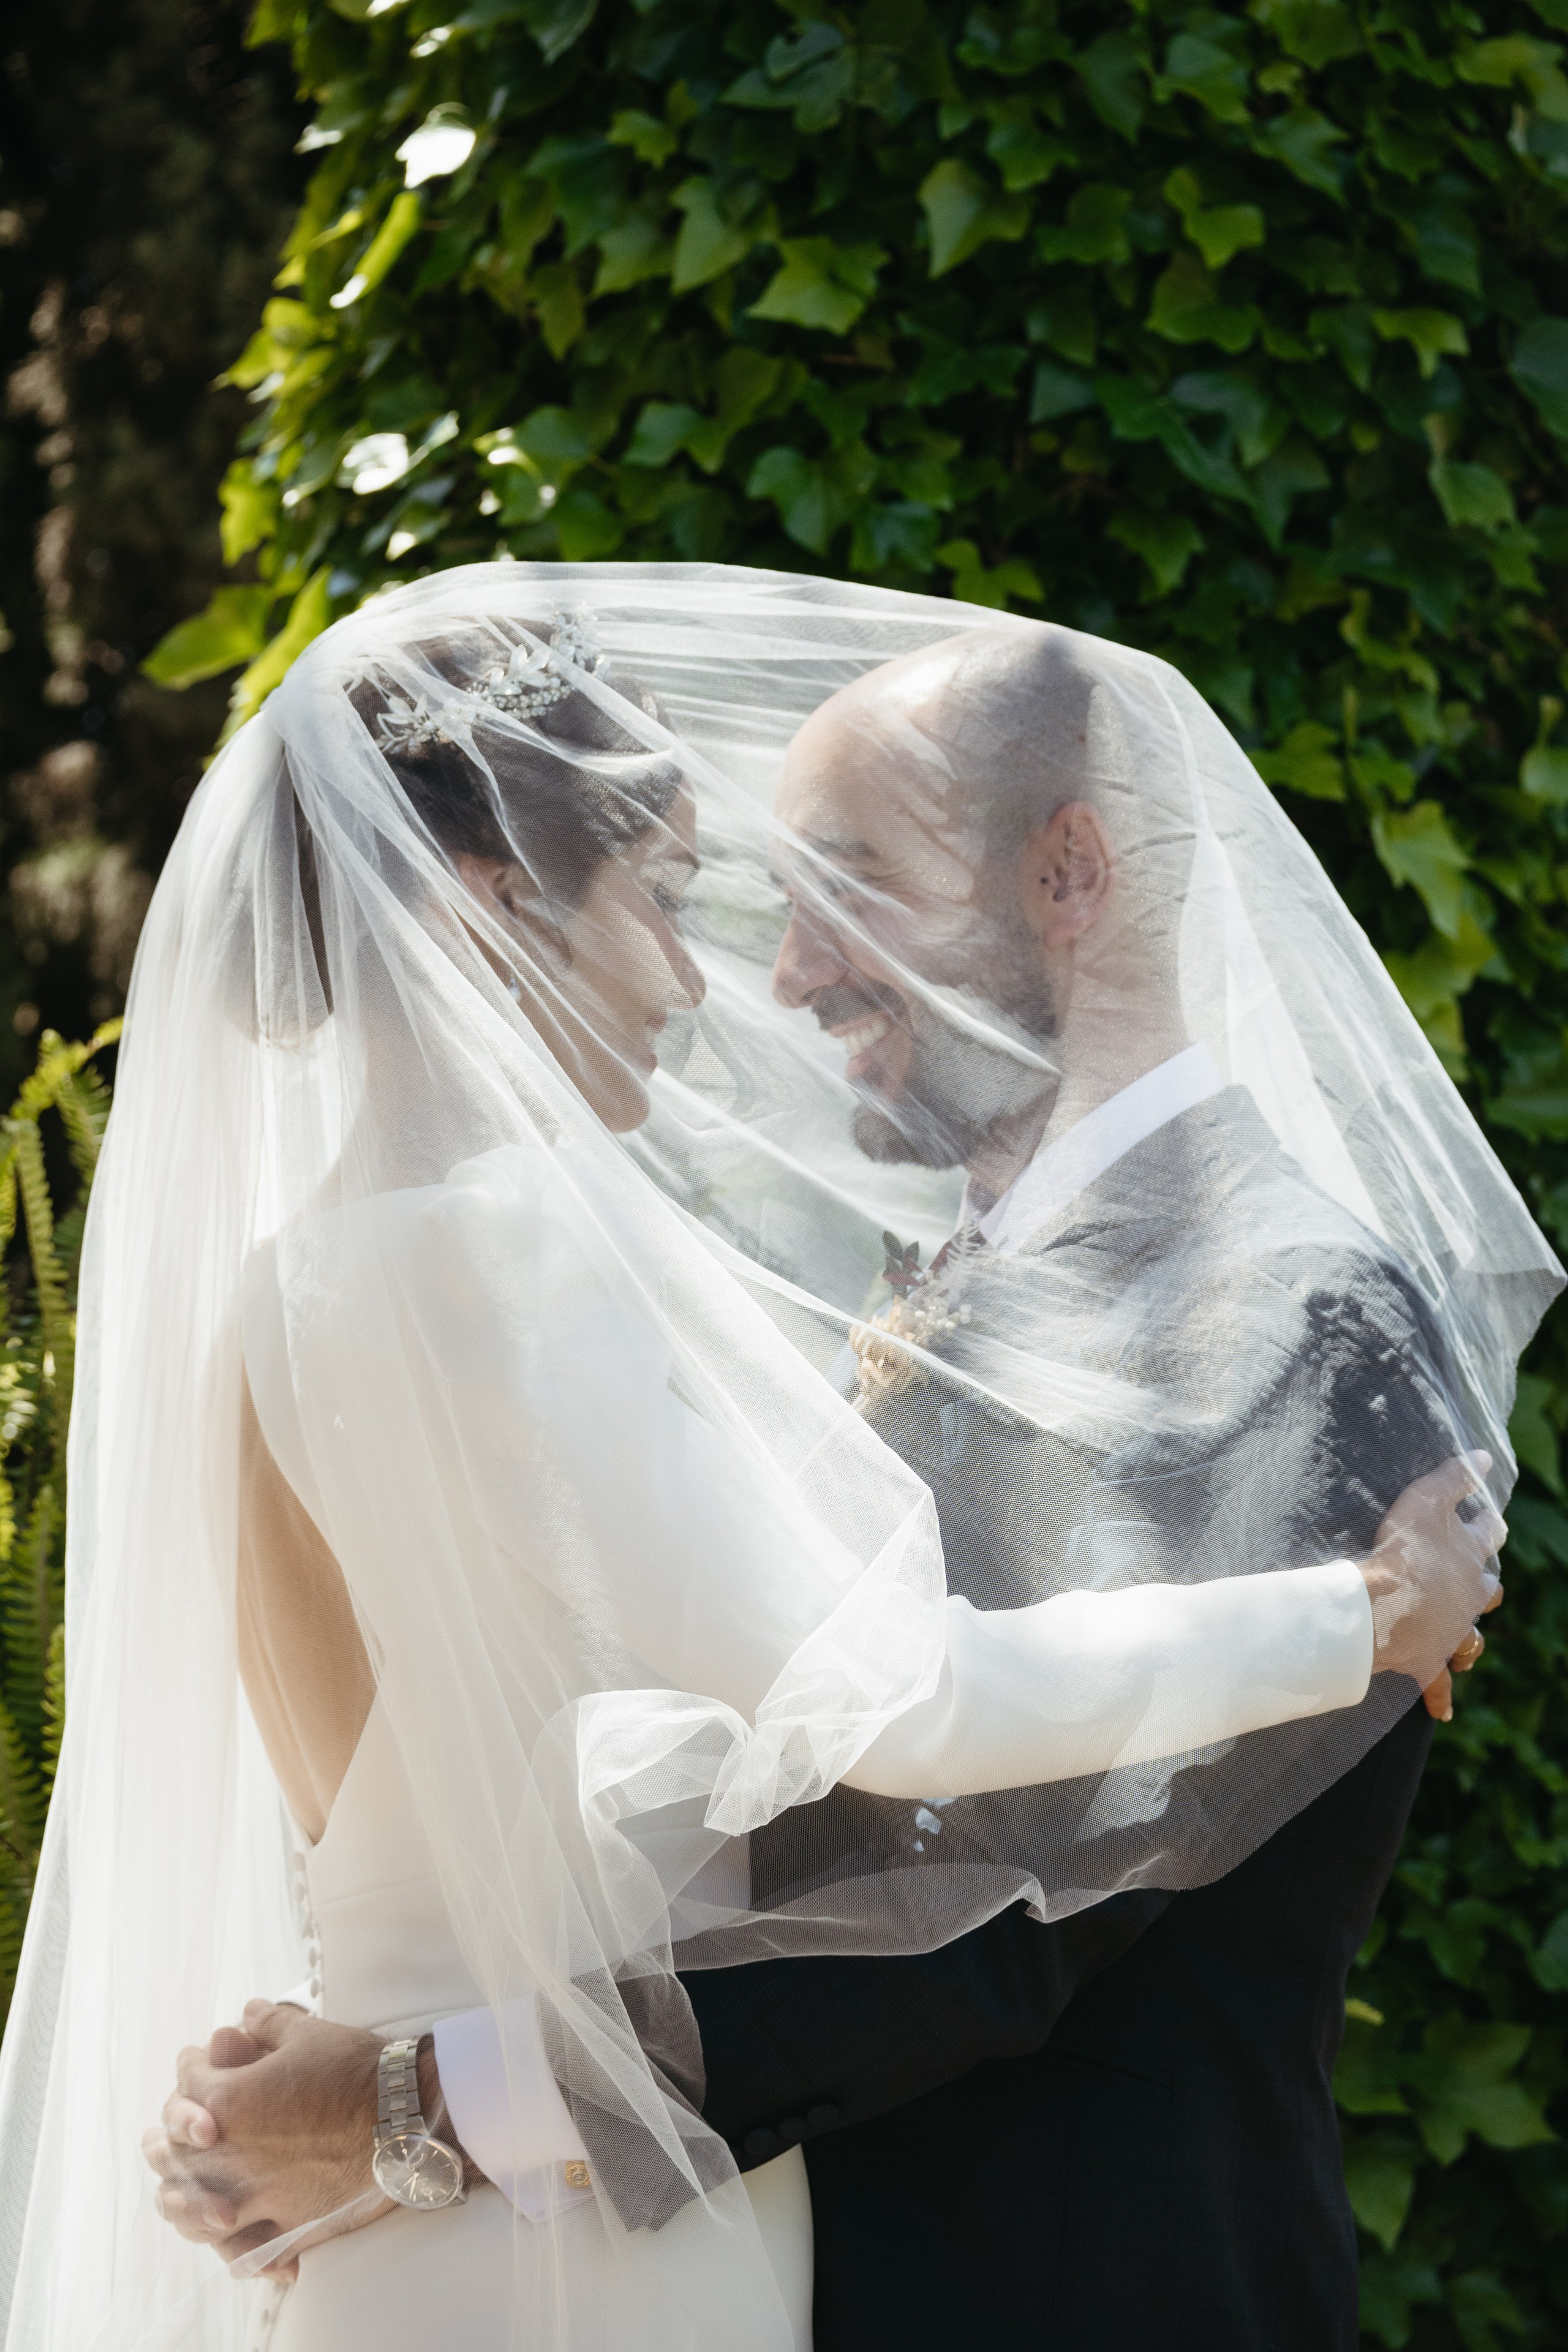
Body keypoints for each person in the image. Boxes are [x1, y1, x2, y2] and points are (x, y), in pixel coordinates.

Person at [1, 569, 1545, 2352]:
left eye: (850, 891)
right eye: (728, 896)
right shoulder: (588, 1279)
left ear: (1067, 876)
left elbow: (1009, 1903)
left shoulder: (1289, 1307)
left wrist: (414, 2106)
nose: (780, 969)